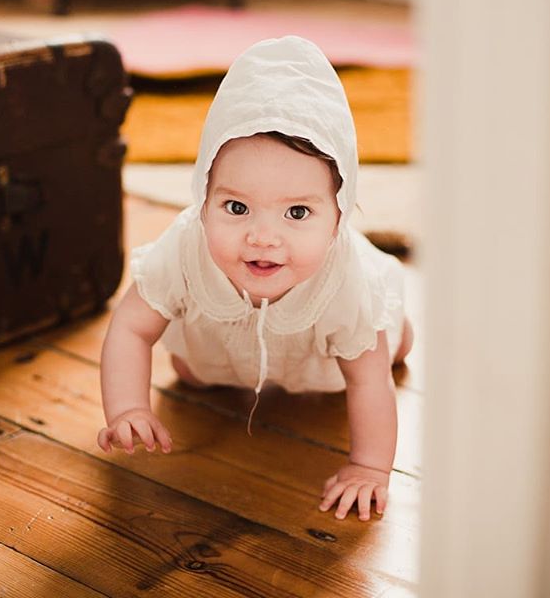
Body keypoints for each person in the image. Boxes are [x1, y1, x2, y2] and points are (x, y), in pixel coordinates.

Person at [97, 35, 413, 521]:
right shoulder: (185, 247)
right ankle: (214, 368)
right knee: (189, 369)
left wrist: (368, 467)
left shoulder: (344, 280)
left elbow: (370, 382)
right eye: (237, 207)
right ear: (202, 196)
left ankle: (403, 333)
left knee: (385, 344)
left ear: (339, 215)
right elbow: (132, 327)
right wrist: (127, 408)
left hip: (324, 366)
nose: (263, 237)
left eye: (298, 212)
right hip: (220, 356)